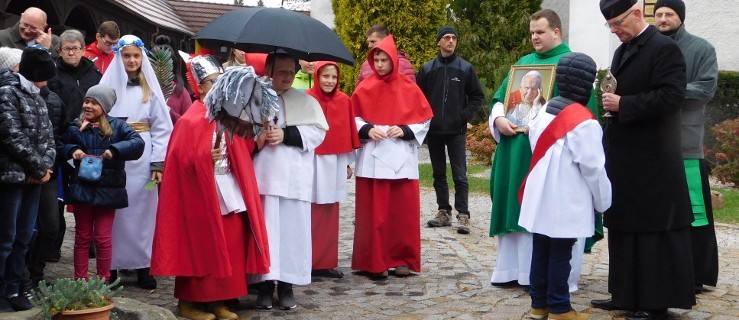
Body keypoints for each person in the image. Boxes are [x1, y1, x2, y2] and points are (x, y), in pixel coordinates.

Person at [590, 1, 695, 319]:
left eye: (617, 23)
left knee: (651, 230)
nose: (614, 30)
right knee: (624, 226)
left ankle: (654, 301)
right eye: (609, 25)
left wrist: (626, 104)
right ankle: (624, 294)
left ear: (637, 14)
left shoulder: (665, 49)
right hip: (625, 155)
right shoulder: (623, 49)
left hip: (654, 157)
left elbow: (672, 96)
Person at [488, 9, 599, 292]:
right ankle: (510, 270)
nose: (534, 37)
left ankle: (543, 278)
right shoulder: (524, 62)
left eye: (540, 32)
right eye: (532, 32)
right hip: (514, 149)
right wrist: (499, 118)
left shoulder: (572, 64)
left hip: (546, 153)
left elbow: (581, 111)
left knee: (541, 210)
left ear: (556, 32)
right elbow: (502, 98)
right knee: (514, 205)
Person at [151, 57, 271, 320]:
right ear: (200, 87)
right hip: (200, 193)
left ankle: (220, 300)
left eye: (221, 81)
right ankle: (189, 302)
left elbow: (243, 148)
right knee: (201, 245)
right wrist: (204, 157)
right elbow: (179, 160)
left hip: (228, 188)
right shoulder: (191, 120)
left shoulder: (227, 116)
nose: (218, 86)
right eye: (212, 82)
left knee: (230, 243)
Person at [519, 52, 612, 320]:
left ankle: (539, 305)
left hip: (540, 195)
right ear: (586, 85)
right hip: (566, 197)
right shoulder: (584, 122)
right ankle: (560, 308)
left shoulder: (542, 113)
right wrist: (604, 201)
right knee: (561, 253)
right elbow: (593, 168)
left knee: (541, 249)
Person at [249, 52, 328, 311]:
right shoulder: (255, 98)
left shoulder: (304, 101)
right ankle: (263, 285)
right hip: (265, 178)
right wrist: (259, 135)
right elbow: (241, 133)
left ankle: (286, 286)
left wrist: (287, 134)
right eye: (281, 71)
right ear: (269, 71)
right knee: (267, 234)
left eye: (291, 72)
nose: (287, 76)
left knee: (292, 235)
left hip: (294, 179)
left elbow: (318, 132)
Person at [351, 35, 433, 278]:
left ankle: (402, 259)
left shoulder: (409, 88)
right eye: (375, 59)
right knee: (373, 213)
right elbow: (353, 118)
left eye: (383, 59)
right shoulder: (364, 87)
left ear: (393, 60)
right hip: (373, 158)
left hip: (401, 158)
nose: (379, 64)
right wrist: (367, 129)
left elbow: (424, 119)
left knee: (402, 213)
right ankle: (374, 261)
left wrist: (406, 129)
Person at [654, 0, 719, 294]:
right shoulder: (648, 47)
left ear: (680, 17)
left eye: (669, 14)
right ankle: (664, 269)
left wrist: (664, 93)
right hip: (652, 143)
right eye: (659, 14)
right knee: (659, 209)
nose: (663, 18)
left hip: (685, 143)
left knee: (695, 210)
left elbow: (704, 89)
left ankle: (697, 273)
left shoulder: (701, 48)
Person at [99, 34, 173, 290]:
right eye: (127, 55)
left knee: (142, 212)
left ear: (142, 58)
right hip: (114, 155)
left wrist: (157, 163)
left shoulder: (149, 90)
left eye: (136, 56)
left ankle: (143, 265)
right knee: (113, 212)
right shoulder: (107, 87)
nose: (131, 60)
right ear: (119, 57)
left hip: (141, 156)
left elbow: (162, 128)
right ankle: (111, 266)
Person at [58, 84, 144, 282]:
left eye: (94, 103)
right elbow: (60, 144)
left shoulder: (119, 127)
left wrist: (115, 149)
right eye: (87, 101)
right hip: (82, 189)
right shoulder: (75, 126)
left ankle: (103, 279)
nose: (88, 105)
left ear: (105, 107)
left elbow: (137, 143)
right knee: (82, 237)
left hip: (109, 190)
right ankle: (80, 279)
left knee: (103, 238)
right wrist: (72, 150)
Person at [0, 45, 57, 312]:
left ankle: (14, 287)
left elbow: (48, 137)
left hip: (35, 179)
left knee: (25, 236)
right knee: (6, 237)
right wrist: (37, 169)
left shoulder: (39, 98)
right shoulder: (7, 93)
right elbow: (11, 135)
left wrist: (44, 169)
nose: (45, 83)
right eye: (42, 77)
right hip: (11, 178)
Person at [417, 25, 484, 234]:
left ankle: (463, 214)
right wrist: (426, 120)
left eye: (454, 37)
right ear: (438, 42)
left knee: (460, 174)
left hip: (456, 131)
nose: (451, 41)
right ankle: (443, 212)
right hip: (435, 131)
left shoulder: (465, 68)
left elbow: (477, 96)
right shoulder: (428, 69)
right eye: (446, 37)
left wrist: (463, 116)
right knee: (438, 173)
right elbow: (418, 97)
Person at [47, 29, 102, 263]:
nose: (71, 52)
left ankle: (88, 241)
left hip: (87, 139)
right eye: (66, 49)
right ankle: (53, 245)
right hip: (59, 138)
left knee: (86, 191)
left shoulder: (94, 73)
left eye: (76, 48)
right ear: (60, 51)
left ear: (83, 49)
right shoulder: (52, 73)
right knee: (57, 198)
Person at [306, 61, 361, 279]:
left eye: (334, 77)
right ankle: (307, 260)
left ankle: (326, 261)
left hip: (333, 163)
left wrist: (347, 163)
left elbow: (346, 133)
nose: (330, 81)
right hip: (312, 162)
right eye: (325, 76)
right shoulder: (307, 100)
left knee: (330, 212)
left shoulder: (344, 101)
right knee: (309, 212)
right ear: (317, 76)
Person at [20, 47, 64, 290]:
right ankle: (18, 275)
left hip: (47, 172)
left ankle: (35, 273)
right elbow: (13, 136)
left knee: (51, 226)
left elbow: (54, 136)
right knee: (19, 229)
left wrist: (46, 166)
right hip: (21, 171)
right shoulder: (12, 95)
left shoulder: (54, 101)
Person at [150, 35, 192, 124]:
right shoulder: (144, 88)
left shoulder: (181, 92)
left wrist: (169, 112)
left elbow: (188, 123)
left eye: (165, 63)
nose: (160, 68)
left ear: (172, 65)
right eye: (156, 63)